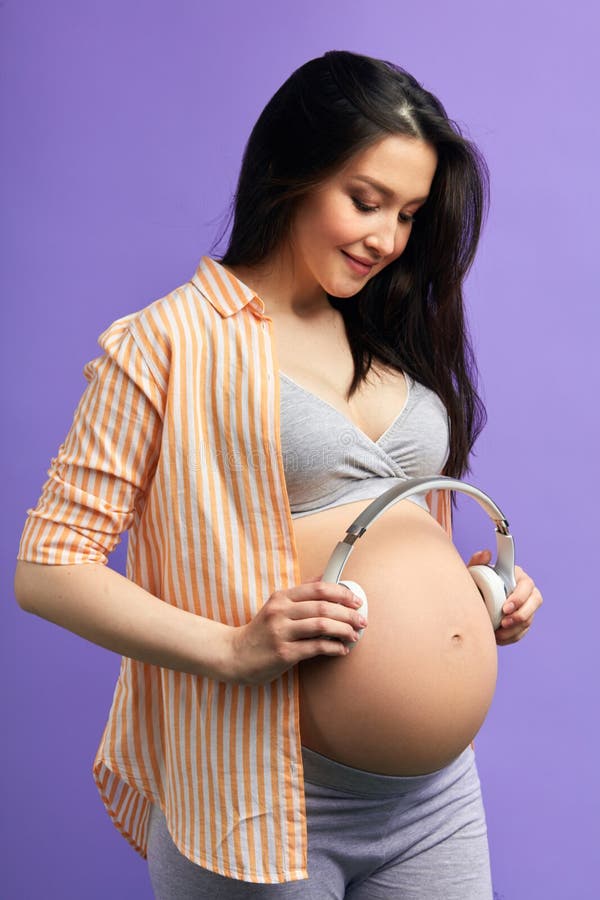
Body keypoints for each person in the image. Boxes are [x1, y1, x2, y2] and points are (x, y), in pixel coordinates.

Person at [14, 50, 543, 898]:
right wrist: (229, 648)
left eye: (407, 214)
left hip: (437, 800)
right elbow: (48, 570)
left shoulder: (386, 326)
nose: (387, 238)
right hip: (264, 795)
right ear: (291, 175)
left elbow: (384, 518)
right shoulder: (167, 342)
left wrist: (475, 596)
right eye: (365, 201)